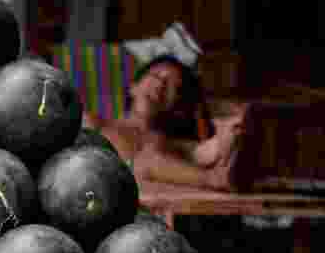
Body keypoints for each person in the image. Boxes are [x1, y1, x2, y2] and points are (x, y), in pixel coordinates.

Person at [84, 54, 252, 191]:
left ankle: (217, 179)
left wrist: (233, 127)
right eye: (155, 75)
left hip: (148, 204)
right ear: (133, 87)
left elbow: (210, 150)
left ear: (175, 106)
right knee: (145, 161)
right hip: (99, 192)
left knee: (152, 155)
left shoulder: (169, 144)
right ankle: (214, 180)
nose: (160, 84)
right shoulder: (95, 123)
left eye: (173, 85)